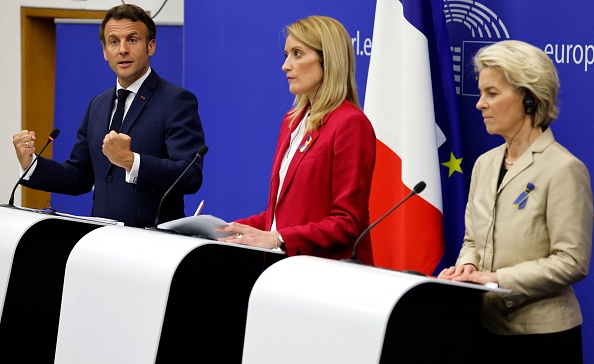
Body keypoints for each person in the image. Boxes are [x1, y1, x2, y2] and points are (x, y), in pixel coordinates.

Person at [438, 40, 592, 363]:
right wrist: (468, 266)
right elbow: (471, 239)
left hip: (543, 340)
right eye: (481, 93)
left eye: (492, 94)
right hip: (484, 331)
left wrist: (497, 279)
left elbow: (571, 261)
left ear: (529, 99)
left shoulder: (564, 169)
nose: (480, 104)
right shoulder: (484, 164)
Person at [12, 4, 206, 228]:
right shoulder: (98, 104)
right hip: (101, 241)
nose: (122, 50)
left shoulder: (175, 101)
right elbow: (79, 176)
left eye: (132, 40)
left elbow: (190, 174)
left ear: (150, 46)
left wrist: (132, 161)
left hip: (153, 243)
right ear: (105, 52)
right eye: (114, 42)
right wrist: (31, 164)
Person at [217, 15, 376, 264]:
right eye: (286, 54)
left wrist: (280, 239)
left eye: (298, 54)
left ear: (327, 60)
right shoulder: (292, 121)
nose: (286, 65)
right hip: (284, 269)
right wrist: (227, 229)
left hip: (326, 274)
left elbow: (347, 222)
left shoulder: (350, 123)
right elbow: (282, 216)